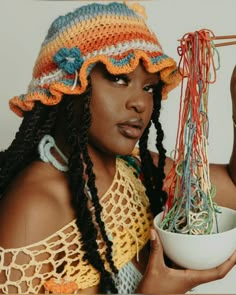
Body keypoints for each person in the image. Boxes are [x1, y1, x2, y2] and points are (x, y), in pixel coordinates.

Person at [0, 1, 235, 294]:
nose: (140, 103)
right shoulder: (35, 206)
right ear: (66, 87)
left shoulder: (136, 170)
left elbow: (232, 190)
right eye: (118, 78)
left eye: (149, 88)